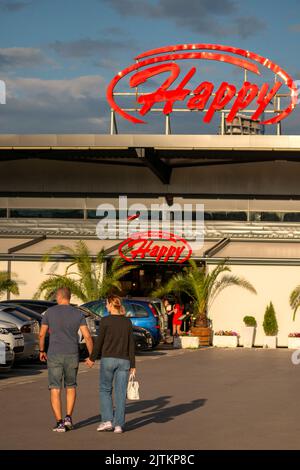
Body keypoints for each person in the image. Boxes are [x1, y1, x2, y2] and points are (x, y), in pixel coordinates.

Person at [39, 287, 93, 432]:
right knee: (71, 386)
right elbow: (87, 336)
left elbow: (42, 334)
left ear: (59, 297)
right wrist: (91, 355)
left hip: (54, 354)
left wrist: (42, 350)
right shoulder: (78, 313)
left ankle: (59, 422)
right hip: (71, 354)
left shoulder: (49, 313)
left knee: (55, 388)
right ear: (69, 297)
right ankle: (68, 417)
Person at [85, 295, 136, 434]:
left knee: (105, 390)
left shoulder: (105, 321)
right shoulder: (127, 322)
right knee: (120, 393)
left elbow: (99, 342)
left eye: (106, 304)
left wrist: (91, 358)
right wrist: (133, 364)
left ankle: (107, 421)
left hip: (108, 360)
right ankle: (119, 425)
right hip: (124, 361)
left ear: (110, 305)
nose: (106, 306)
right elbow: (131, 344)